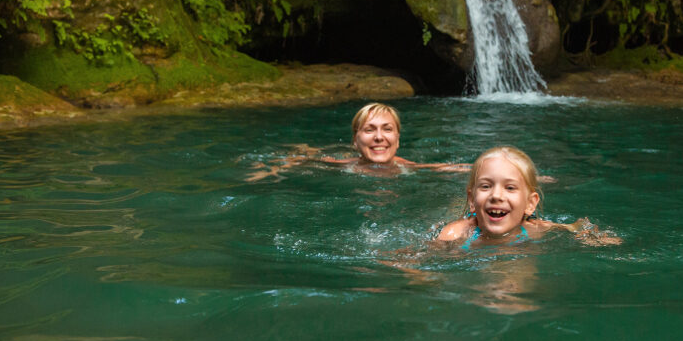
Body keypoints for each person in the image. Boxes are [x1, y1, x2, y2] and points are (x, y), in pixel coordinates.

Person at [435, 146, 621, 248]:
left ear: (530, 204)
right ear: (472, 200)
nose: (496, 195)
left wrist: (591, 235)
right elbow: (423, 256)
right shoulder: (456, 233)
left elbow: (574, 227)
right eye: (486, 186)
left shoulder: (535, 229)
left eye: (510, 187)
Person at [245, 102, 469, 181]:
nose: (379, 137)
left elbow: (445, 168)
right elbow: (298, 161)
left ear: (398, 140)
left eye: (387, 129)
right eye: (369, 130)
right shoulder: (342, 165)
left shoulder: (407, 167)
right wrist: (271, 169)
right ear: (355, 141)